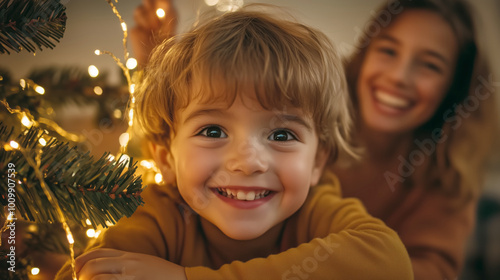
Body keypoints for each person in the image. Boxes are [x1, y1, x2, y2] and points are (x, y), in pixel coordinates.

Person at [124, 0, 498, 279]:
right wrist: (153, 60)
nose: (400, 76)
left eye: (429, 64)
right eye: (388, 50)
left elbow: (405, 267)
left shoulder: (448, 178)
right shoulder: (304, 101)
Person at [55, 6, 413, 280]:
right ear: (165, 158)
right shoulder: (161, 214)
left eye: (281, 135)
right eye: (213, 131)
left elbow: (390, 262)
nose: (247, 162)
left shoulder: (316, 211)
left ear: (318, 161)